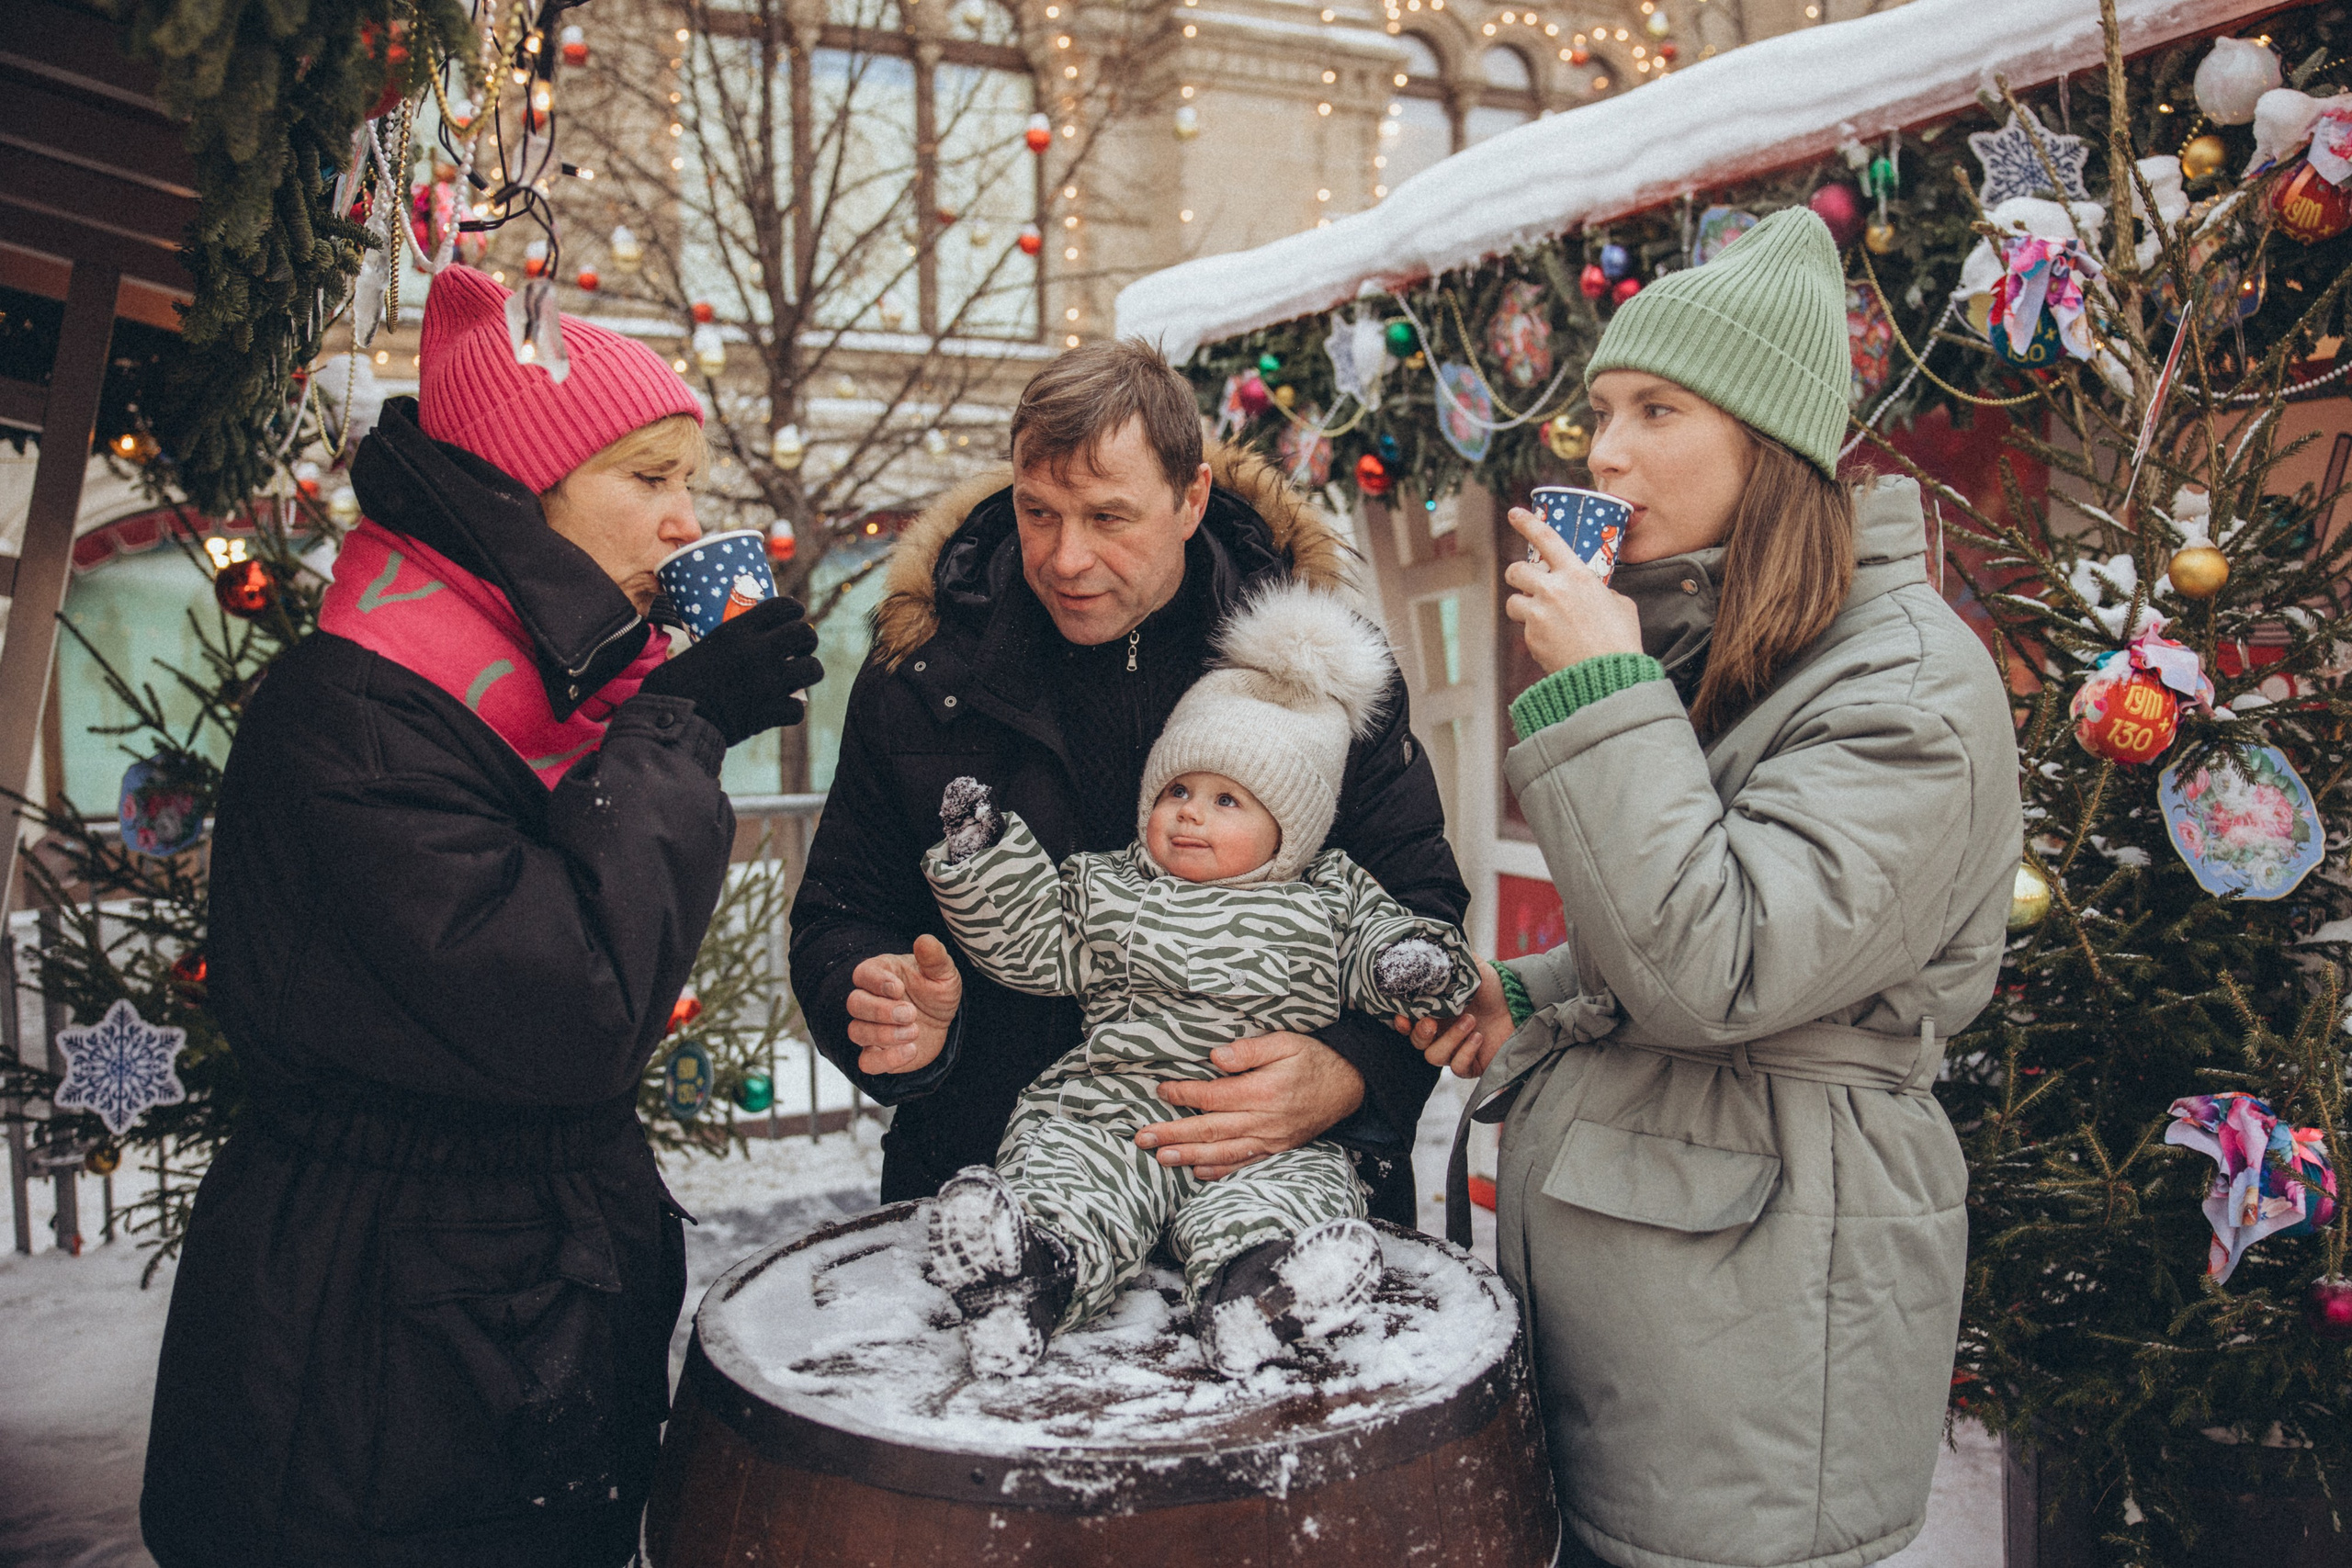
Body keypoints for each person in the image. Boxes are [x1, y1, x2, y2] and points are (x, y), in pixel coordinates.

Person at [140, 265, 823, 1568]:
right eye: (648, 476)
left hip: (489, 1333)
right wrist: (677, 728)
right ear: (521, 489)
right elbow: (573, 1006)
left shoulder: (540, 696)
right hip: (374, 1374)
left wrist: (663, 722)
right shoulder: (359, 714)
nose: (686, 519)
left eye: (691, 481)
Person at [1410, 208, 2022, 1568]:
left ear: (1769, 444)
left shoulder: (1907, 683)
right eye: (1599, 412)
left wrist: (1601, 687)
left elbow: (1724, 964)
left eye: (1657, 409)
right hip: (1657, 1320)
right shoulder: (1731, 646)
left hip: (1761, 1334)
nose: (1603, 450)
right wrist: (1538, 993)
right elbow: (1700, 906)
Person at [789, 339, 1465, 1228]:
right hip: (998, 1189)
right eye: (1037, 513)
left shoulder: (1325, 668)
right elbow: (839, 912)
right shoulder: (924, 672)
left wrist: (1354, 1070)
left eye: (1109, 518)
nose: (1066, 558)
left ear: (1190, 500)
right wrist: (879, 1003)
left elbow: (1417, 914)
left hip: (1280, 1188)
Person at [912, 582, 1482, 1379]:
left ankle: (1259, 1294)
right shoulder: (1110, 883)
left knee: (1299, 1191)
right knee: (1064, 1171)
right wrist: (983, 859)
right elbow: (1030, 939)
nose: (1189, 813)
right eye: (1176, 790)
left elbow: (1382, 944)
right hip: (1116, 1113)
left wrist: (1411, 967)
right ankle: (1026, 1274)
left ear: (1290, 827)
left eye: (1226, 800)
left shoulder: (1331, 893)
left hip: (1268, 1134)